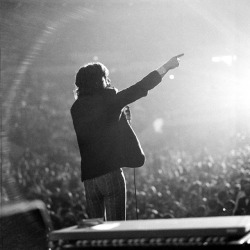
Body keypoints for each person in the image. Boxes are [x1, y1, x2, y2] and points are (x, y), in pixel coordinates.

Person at [70, 53, 184, 221]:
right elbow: (140, 88)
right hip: (110, 174)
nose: (108, 81)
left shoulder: (76, 109)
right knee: (116, 229)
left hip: (89, 179)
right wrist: (165, 67)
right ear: (99, 81)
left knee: (95, 230)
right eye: (106, 78)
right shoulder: (109, 100)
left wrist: (121, 117)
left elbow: (99, 130)